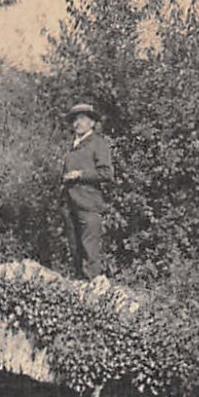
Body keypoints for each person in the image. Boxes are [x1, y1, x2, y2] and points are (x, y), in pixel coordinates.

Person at [60, 101, 113, 279]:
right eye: (75, 119)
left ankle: (94, 296)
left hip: (89, 205)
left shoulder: (98, 143)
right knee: (75, 250)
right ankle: (80, 294)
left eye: (82, 119)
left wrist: (80, 174)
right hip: (70, 204)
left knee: (90, 252)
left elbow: (106, 173)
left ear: (92, 123)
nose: (78, 123)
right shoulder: (72, 146)